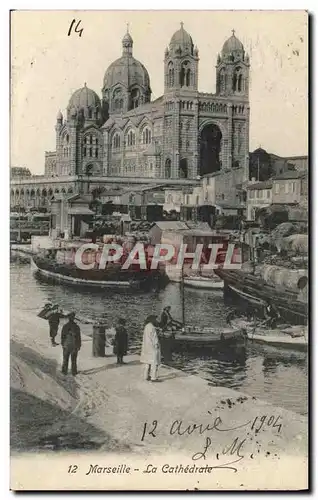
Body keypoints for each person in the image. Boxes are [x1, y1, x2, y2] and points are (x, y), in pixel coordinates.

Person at [140, 315, 161, 382]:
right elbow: (154, 338)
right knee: (154, 362)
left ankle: (146, 376)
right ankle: (153, 377)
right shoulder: (152, 327)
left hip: (146, 347)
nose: (156, 321)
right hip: (152, 347)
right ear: (152, 320)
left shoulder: (146, 326)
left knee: (147, 362)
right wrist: (157, 344)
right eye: (155, 319)